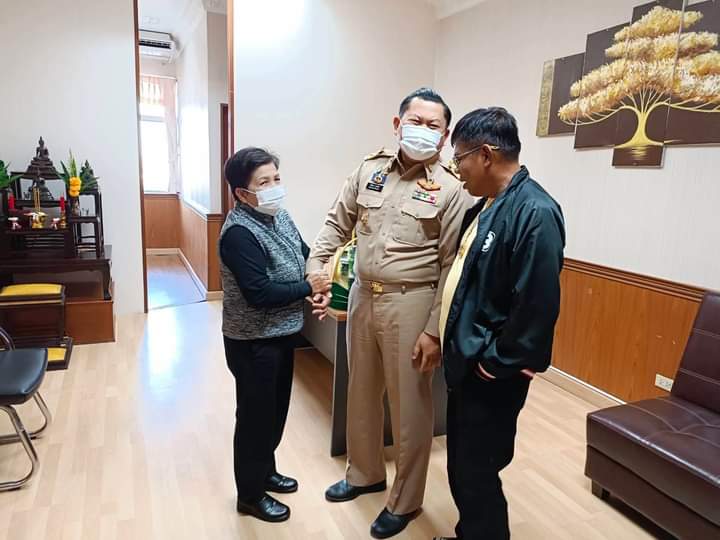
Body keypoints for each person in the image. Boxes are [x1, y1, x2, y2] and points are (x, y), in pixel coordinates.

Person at [307, 88, 472, 539]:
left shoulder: (452, 188)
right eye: (415, 121)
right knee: (360, 392)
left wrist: (434, 330)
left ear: (444, 136)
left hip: (412, 301)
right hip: (362, 296)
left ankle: (405, 500)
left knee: (410, 407)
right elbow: (335, 224)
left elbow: (451, 267)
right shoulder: (369, 170)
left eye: (433, 126)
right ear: (398, 125)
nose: (423, 131)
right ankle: (364, 474)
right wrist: (316, 271)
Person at [435, 107, 565, 540]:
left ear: (486, 155)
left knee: (478, 470)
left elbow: (536, 305)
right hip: (469, 362)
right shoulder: (488, 205)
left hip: (491, 372)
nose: (457, 169)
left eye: (460, 158)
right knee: (464, 465)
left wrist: (494, 363)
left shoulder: (535, 212)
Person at [219, 147, 330, 523]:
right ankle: (250, 495)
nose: (274, 187)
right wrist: (308, 287)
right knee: (255, 418)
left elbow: (305, 254)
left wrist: (317, 283)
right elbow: (260, 293)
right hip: (253, 341)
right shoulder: (238, 233)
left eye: (276, 178)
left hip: (283, 333)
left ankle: (265, 471)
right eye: (263, 182)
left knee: (275, 411)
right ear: (241, 193)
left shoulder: (279, 215)